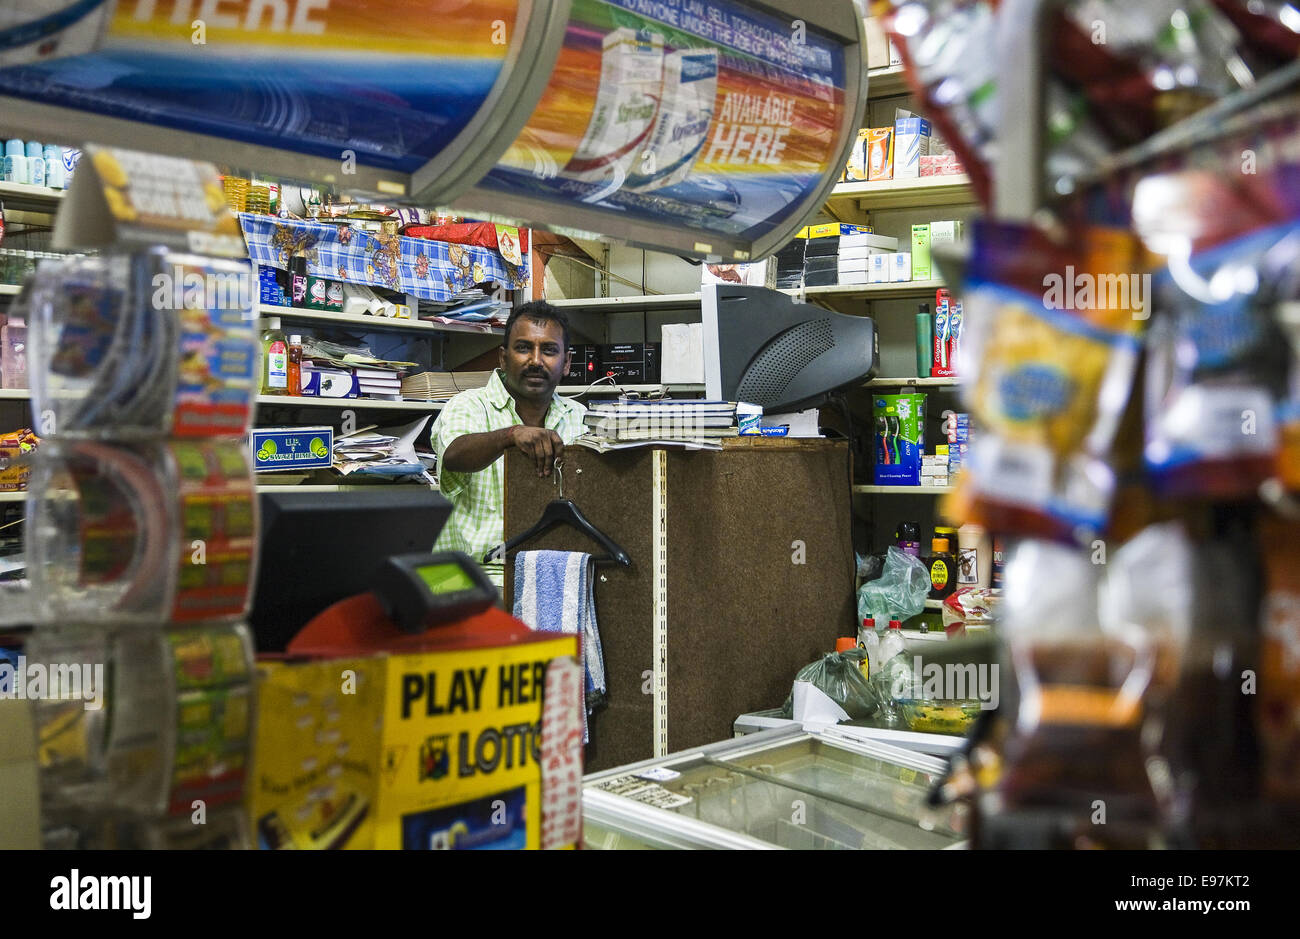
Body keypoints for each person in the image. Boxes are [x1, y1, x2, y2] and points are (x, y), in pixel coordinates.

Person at [430, 300, 587, 587]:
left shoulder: (580, 418)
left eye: (549, 350)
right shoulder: (468, 405)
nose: (536, 361)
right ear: (503, 358)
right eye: (524, 348)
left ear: (566, 363)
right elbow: (454, 454)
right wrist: (510, 435)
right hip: (471, 579)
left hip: (552, 577)